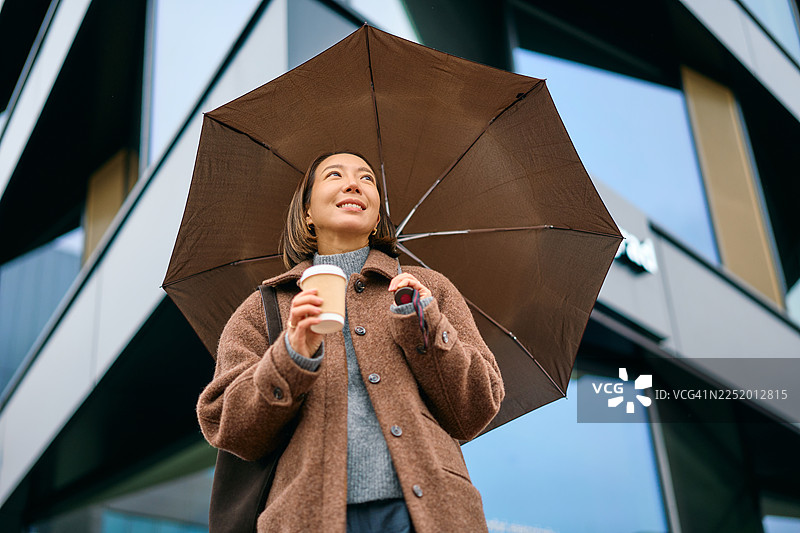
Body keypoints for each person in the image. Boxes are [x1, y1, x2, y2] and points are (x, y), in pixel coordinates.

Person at [197, 152, 505, 533]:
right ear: (307, 210)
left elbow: (476, 407)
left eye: (367, 178)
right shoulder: (263, 308)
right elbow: (228, 427)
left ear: (376, 217)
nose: (353, 183)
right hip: (306, 520)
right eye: (334, 175)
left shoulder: (429, 288)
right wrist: (290, 355)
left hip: (430, 518)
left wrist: (425, 326)